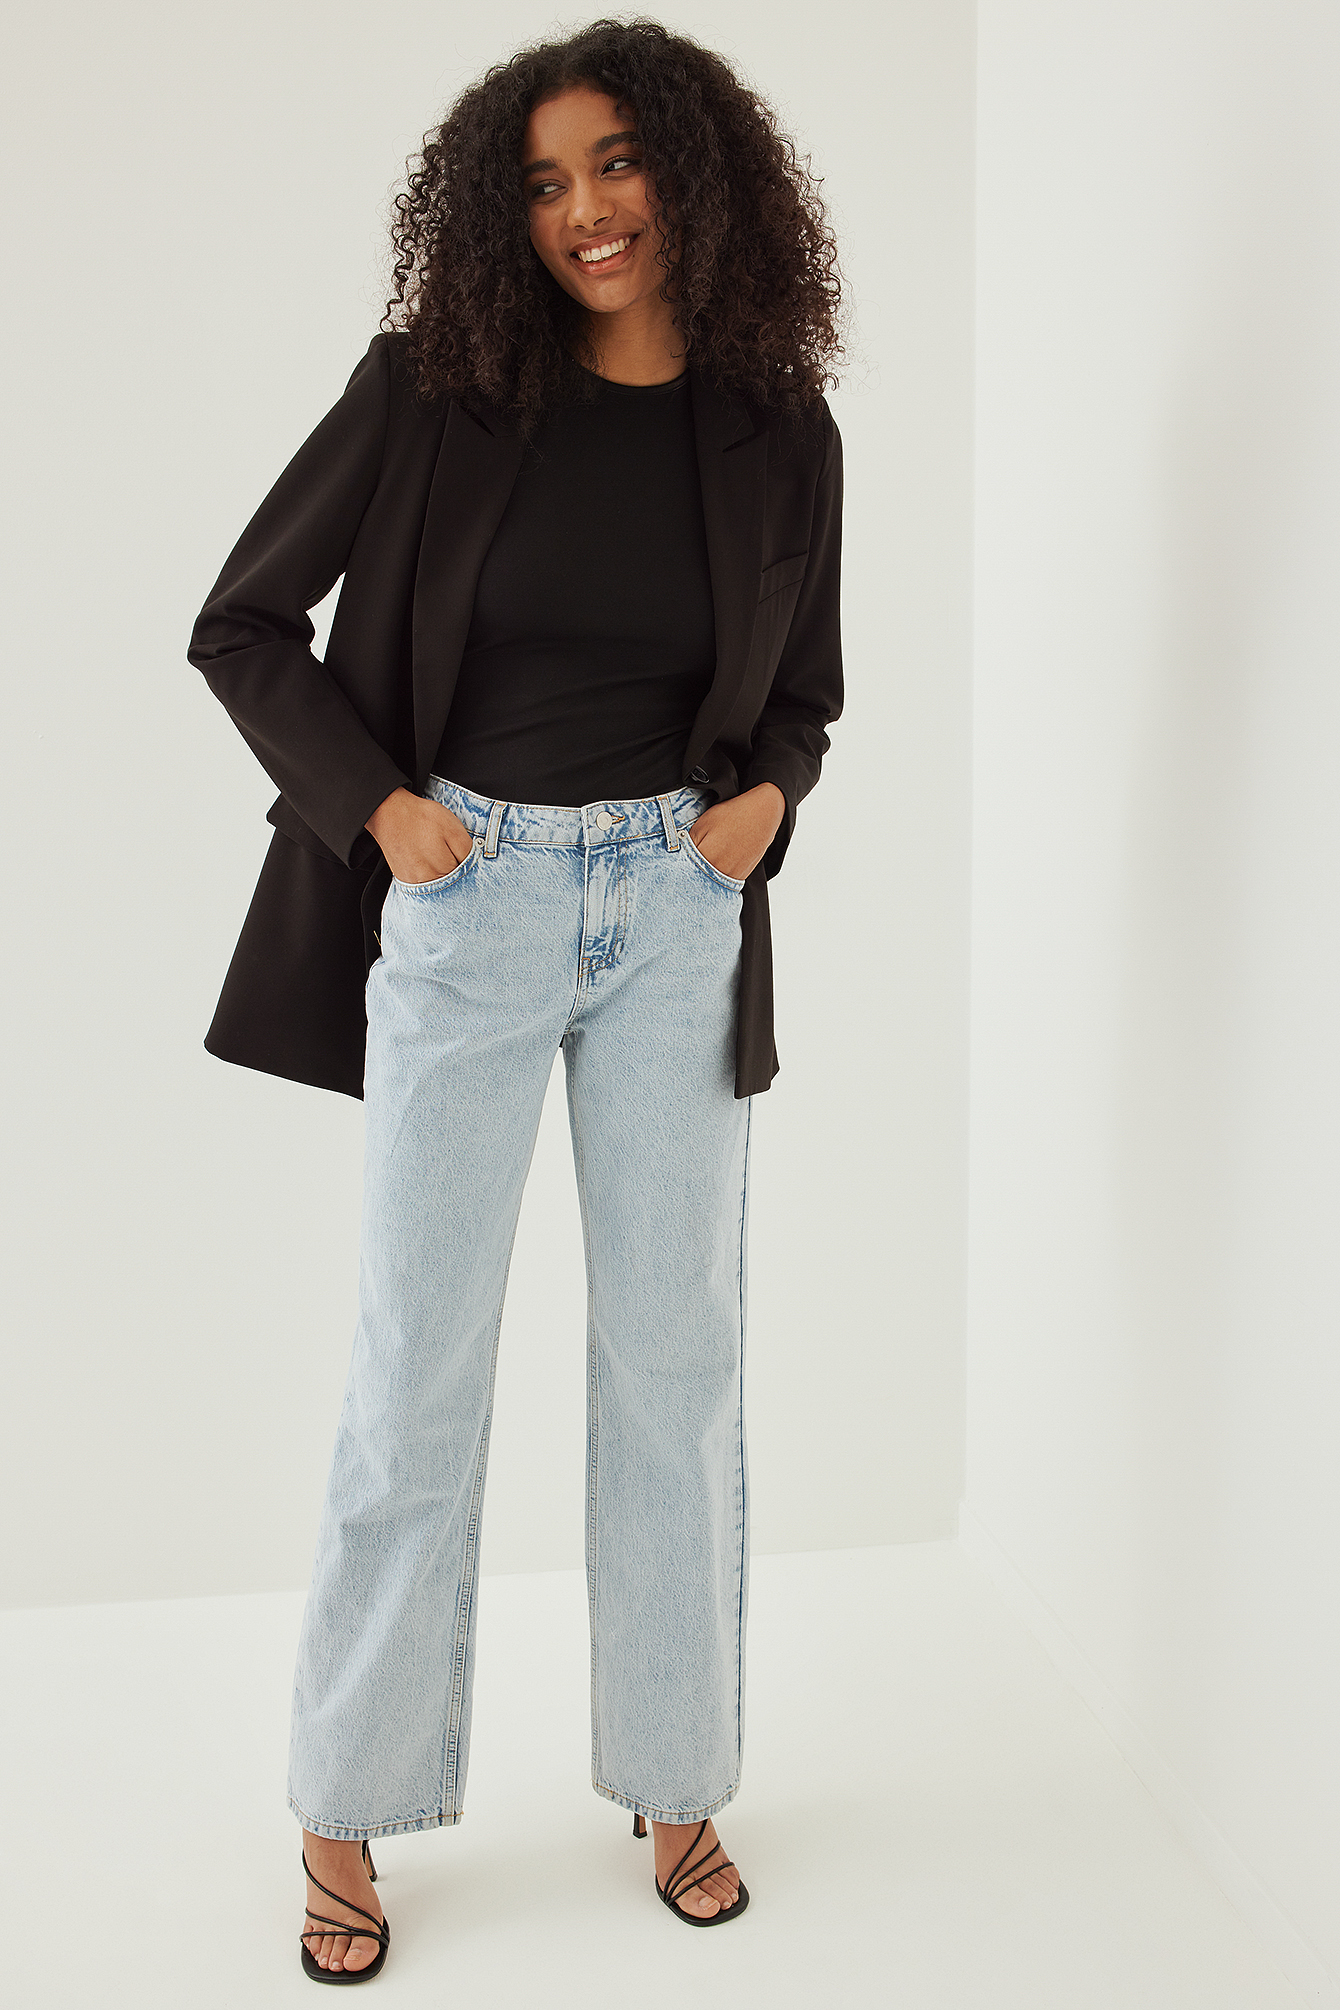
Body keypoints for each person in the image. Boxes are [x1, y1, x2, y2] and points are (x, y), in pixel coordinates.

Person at [188, 16, 843, 1983]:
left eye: (618, 163)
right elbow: (241, 622)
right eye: (546, 182)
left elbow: (804, 693)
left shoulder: (780, 422)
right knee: (418, 1369)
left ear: (693, 176)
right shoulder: (433, 388)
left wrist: (760, 811)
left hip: (675, 907)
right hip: (465, 897)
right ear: (504, 214)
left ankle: (679, 1776)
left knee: (677, 1365)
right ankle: (344, 1799)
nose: (587, 212)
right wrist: (383, 813)